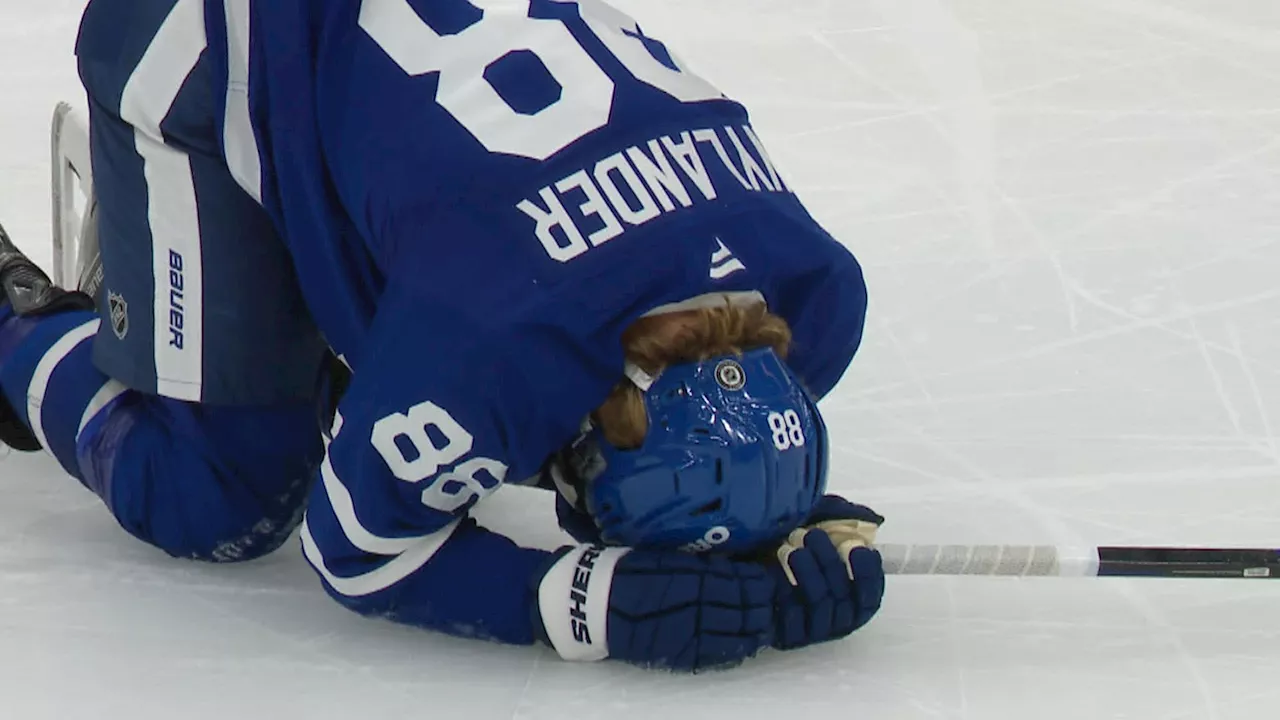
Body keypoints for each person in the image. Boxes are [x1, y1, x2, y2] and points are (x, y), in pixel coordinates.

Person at [0, 0, 884, 671]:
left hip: (369, 92)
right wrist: (575, 605)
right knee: (218, 496)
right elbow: (355, 552)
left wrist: (782, 526)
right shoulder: (499, 342)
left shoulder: (814, 294)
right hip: (201, 45)